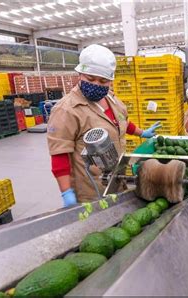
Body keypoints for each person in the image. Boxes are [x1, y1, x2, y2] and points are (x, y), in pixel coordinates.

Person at [47, 44, 161, 207]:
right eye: (91, 79)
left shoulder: (112, 99)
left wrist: (141, 133)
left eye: (103, 81)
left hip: (117, 179)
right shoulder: (66, 110)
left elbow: (122, 122)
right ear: (80, 74)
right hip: (92, 189)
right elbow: (59, 153)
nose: (97, 84)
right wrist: (66, 192)